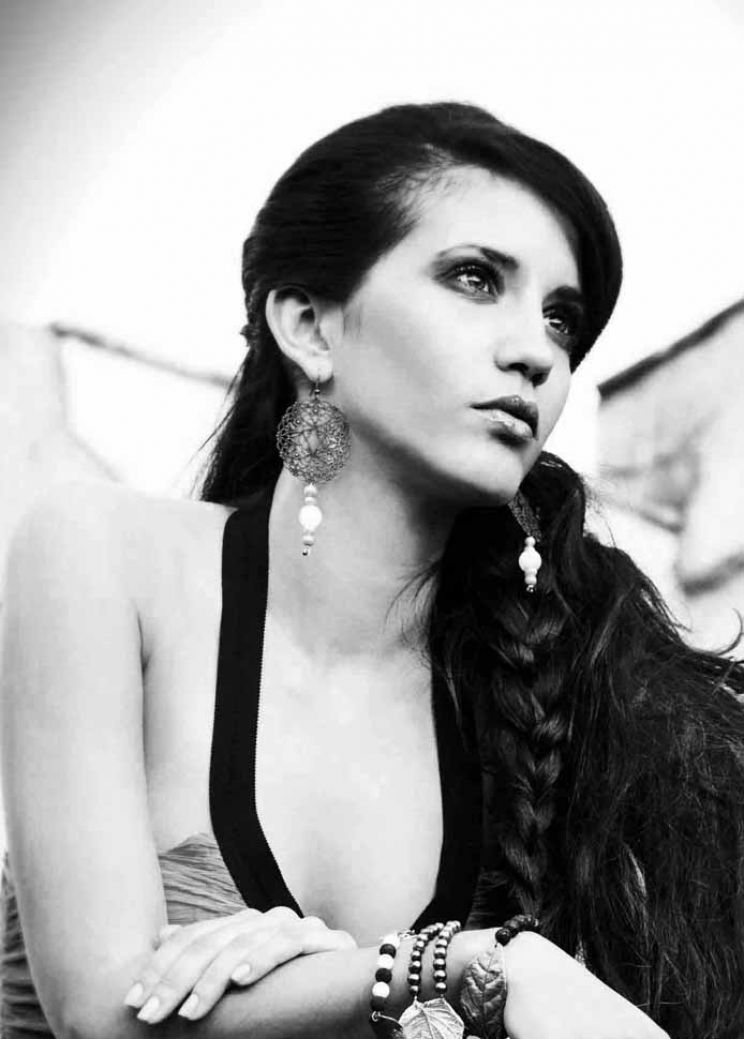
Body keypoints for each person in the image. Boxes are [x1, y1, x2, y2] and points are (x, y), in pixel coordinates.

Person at [1, 101, 743, 1039]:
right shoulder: (104, 554)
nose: (536, 352)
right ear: (311, 326)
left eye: (562, 320)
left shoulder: (540, 696)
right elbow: (104, 1011)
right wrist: (471, 967)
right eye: (476, 279)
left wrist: (345, 980)